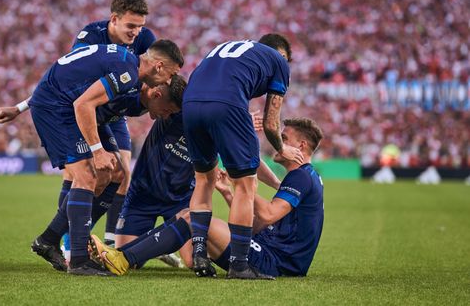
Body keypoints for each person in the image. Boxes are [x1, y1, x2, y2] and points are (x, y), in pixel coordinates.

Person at [0, 0, 156, 246]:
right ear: (113, 19)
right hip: (83, 109)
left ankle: (110, 243)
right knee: (78, 175)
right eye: (130, 26)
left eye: (140, 26)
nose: (136, 32)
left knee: (122, 173)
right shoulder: (91, 36)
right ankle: (70, 243)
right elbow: (66, 75)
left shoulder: (145, 38)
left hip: (114, 112)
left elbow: (149, 77)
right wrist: (22, 106)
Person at [91, 117, 324, 280]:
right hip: (269, 250)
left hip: (277, 263)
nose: (276, 141)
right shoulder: (303, 177)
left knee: (194, 220)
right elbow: (257, 225)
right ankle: (120, 256)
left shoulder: (302, 177)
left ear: (301, 145)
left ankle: (121, 259)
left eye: (283, 138)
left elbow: (267, 214)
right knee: (187, 216)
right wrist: (229, 192)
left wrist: (243, 181)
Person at [24, 39, 183, 276]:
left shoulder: (135, 81)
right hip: (58, 108)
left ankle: (49, 239)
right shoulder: (127, 71)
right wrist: (97, 150)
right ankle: (79, 260)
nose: (170, 81)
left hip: (77, 108)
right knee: (87, 175)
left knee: (118, 173)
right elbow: (83, 104)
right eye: (171, 74)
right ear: (159, 67)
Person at [181, 33, 304, 279]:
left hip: (191, 103)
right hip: (226, 105)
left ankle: (199, 253)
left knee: (204, 179)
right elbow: (271, 123)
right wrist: (282, 149)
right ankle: (239, 265)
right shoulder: (278, 61)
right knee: (245, 186)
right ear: (282, 55)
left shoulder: (228, 46)